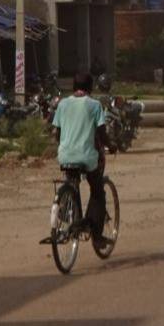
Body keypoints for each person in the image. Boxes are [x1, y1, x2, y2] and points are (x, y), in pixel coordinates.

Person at [51, 72, 112, 251]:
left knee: (72, 181)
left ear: (73, 87)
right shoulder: (94, 105)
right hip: (86, 156)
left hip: (65, 155)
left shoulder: (62, 104)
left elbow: (57, 134)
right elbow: (101, 133)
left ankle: (71, 212)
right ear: (91, 88)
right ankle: (97, 236)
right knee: (98, 191)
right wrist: (112, 145)